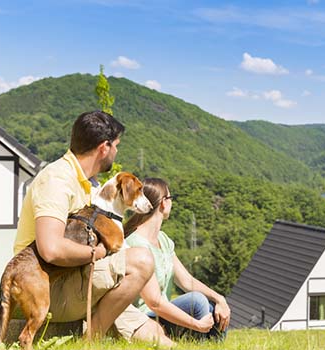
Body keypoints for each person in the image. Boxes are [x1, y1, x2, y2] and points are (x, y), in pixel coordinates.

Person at [13, 111, 173, 346]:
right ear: (104, 147)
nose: (117, 151)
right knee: (141, 260)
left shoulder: (90, 184)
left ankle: (97, 328)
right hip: (45, 287)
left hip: (73, 278)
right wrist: (96, 253)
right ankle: (92, 338)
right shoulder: (57, 180)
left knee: (157, 336)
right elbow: (50, 249)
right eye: (116, 145)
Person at [124, 178, 231, 340]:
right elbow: (153, 303)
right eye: (171, 198)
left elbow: (187, 281)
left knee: (211, 306)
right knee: (198, 301)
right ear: (163, 203)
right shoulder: (135, 244)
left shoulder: (164, 240)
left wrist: (219, 299)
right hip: (146, 318)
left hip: (162, 312)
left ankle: (215, 345)